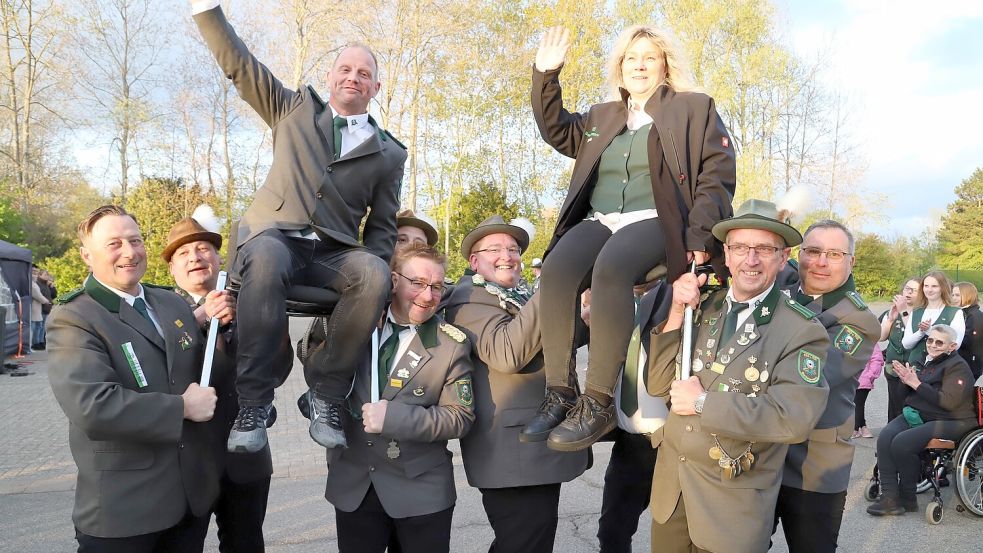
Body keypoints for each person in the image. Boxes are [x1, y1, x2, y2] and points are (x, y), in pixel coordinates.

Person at [192, 1, 407, 453]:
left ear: (376, 87)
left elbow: (383, 227)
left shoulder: (390, 154)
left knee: (372, 272)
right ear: (330, 78)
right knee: (268, 256)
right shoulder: (292, 108)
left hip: (331, 254)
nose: (353, 76)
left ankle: (327, 393)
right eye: (344, 69)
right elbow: (240, 65)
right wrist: (207, 12)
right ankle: (253, 402)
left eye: (363, 73)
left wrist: (382, 274)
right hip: (272, 241)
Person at [525, 25, 735, 450]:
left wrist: (701, 231)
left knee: (612, 268)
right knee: (558, 269)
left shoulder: (693, 109)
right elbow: (556, 130)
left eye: (649, 57)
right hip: (603, 218)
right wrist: (546, 77)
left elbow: (716, 172)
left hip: (657, 219)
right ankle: (560, 392)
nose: (639, 65)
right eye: (630, 58)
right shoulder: (602, 117)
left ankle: (598, 400)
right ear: (619, 67)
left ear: (664, 66)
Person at [646, 199, 830, 553]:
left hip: (731, 505)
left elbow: (793, 420)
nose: (751, 259)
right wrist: (675, 310)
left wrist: (702, 402)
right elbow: (658, 384)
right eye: (741, 247)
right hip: (673, 493)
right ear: (727, 254)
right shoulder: (703, 304)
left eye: (763, 248)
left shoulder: (800, 329)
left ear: (783, 256)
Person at [46, 205, 232, 552]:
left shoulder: (170, 304)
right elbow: (93, 406)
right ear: (87, 255)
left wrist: (217, 324)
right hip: (123, 513)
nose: (129, 252)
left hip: (187, 505)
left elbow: (196, 368)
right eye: (114, 244)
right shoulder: (74, 317)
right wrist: (181, 408)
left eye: (135, 240)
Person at [299, 244, 474, 553]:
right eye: (417, 283)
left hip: (421, 491)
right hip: (355, 485)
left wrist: (393, 418)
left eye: (436, 286)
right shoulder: (356, 327)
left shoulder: (449, 345)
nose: (428, 295)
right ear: (393, 281)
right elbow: (316, 365)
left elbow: (460, 416)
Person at [442, 215, 589, 553]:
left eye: (513, 248)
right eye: (494, 248)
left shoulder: (516, 295)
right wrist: (554, 281)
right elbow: (508, 353)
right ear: (474, 261)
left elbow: (546, 342)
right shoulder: (468, 299)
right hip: (513, 455)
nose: (507, 255)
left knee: (530, 541)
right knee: (523, 543)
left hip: (533, 449)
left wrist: (582, 323)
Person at [164, 215, 277, 553]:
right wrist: (199, 319)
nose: (195, 257)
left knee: (246, 544)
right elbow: (164, 360)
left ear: (218, 258)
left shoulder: (251, 304)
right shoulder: (163, 310)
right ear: (172, 269)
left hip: (246, 460)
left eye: (203, 248)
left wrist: (251, 317)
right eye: (183, 253)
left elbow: (277, 367)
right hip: (188, 462)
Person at [774, 220, 880, 553]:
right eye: (813, 251)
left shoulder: (859, 319)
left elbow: (810, 376)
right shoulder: (779, 291)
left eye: (834, 254)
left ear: (852, 261)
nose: (821, 262)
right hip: (760, 454)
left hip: (812, 463)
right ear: (798, 255)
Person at [587, 281, 668, 553]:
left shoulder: (671, 297)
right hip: (630, 441)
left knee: (675, 534)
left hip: (672, 439)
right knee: (612, 532)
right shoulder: (614, 303)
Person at [867, 324, 977, 516]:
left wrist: (916, 383)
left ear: (952, 347)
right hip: (921, 414)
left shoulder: (958, 367)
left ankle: (907, 498)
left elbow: (949, 402)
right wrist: (905, 381)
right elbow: (909, 398)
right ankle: (890, 498)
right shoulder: (924, 361)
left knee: (902, 443)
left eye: (939, 342)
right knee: (885, 438)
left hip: (952, 420)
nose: (933, 345)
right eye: (930, 340)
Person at [880, 278, 923, 421]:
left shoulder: (922, 314)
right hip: (893, 366)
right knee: (894, 403)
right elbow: (881, 337)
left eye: (914, 290)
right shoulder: (891, 311)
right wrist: (890, 320)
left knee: (909, 403)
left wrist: (904, 311)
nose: (909, 292)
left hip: (913, 367)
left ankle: (906, 434)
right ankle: (891, 433)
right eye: (907, 288)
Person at [902, 271, 965, 366]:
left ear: (942, 288)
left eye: (934, 286)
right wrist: (920, 332)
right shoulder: (916, 312)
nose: (929, 290)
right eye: (926, 286)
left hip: (941, 368)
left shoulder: (955, 312)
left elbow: (955, 344)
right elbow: (906, 344)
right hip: (915, 366)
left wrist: (929, 330)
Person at [853, 346, 884, 439]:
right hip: (848, 378)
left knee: (857, 404)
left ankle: (855, 429)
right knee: (855, 404)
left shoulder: (870, 340)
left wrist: (870, 375)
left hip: (863, 378)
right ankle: (863, 427)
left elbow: (877, 359)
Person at [953, 282, 982, 379]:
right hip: (963, 362)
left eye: (957, 295)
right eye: (952, 295)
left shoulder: (974, 315)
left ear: (967, 295)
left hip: (970, 364)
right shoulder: (963, 313)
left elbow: (969, 341)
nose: (954, 298)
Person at [29, 266, 49, 352]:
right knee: (34, 327)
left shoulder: (35, 283)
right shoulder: (32, 284)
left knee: (39, 326)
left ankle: (38, 342)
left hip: (38, 307)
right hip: (34, 307)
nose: (35, 273)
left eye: (36, 271)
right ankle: (34, 344)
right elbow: (38, 295)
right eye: (33, 271)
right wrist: (46, 301)